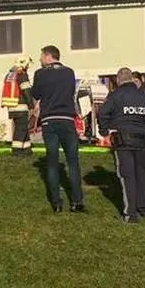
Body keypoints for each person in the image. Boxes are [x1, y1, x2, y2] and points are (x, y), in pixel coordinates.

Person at [98, 67, 145, 223]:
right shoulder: (144, 97)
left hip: (123, 141)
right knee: (142, 176)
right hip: (142, 141)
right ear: (132, 79)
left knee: (127, 176)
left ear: (118, 80)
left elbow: (102, 113)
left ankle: (130, 213)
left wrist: (104, 131)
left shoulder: (115, 95)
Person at [32, 45, 86, 213]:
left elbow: (36, 94)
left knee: (52, 162)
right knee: (73, 161)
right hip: (67, 119)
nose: (40, 60)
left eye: (41, 56)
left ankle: (56, 203)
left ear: (48, 56)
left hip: (49, 120)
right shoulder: (69, 72)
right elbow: (69, 91)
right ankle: (77, 202)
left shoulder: (40, 74)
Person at [1, 57, 34, 156]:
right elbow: (26, 91)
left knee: (23, 128)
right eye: (27, 65)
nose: (28, 67)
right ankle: (16, 151)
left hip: (12, 106)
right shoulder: (22, 75)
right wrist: (31, 105)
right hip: (21, 106)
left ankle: (27, 149)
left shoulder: (10, 74)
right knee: (21, 129)